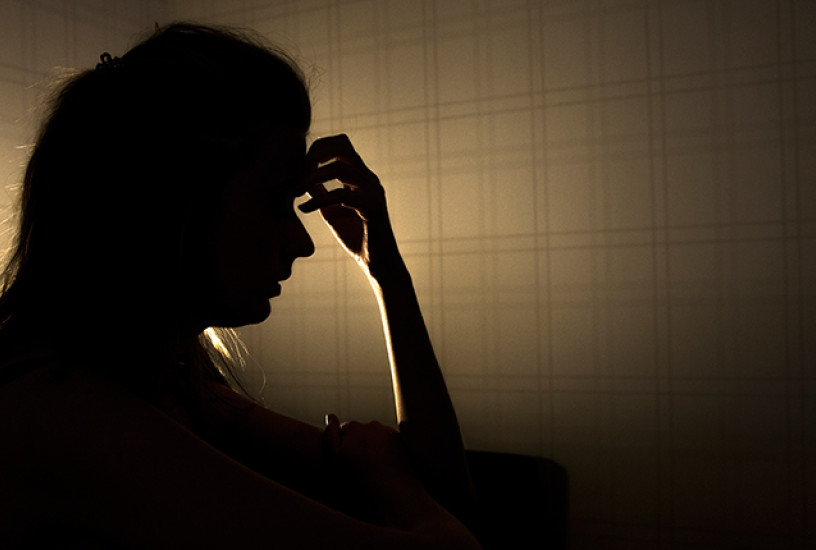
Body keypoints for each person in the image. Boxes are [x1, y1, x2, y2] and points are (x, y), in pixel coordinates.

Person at [0, 23, 480, 548]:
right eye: (276, 203)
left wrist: (385, 270)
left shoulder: (180, 387)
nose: (304, 243)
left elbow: (442, 493)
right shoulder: (61, 410)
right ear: (170, 207)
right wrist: (393, 484)